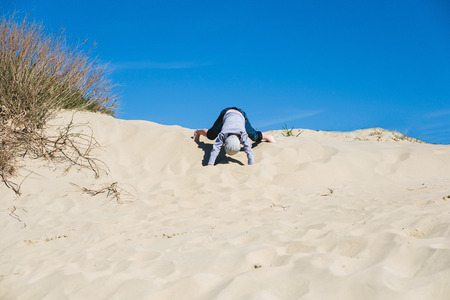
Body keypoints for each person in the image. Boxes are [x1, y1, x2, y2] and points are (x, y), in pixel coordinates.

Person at [193, 107, 276, 166]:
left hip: (241, 115)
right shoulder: (223, 134)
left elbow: (248, 149)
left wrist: (252, 163)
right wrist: (210, 164)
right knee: (211, 135)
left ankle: (267, 136)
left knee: (253, 136)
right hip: (225, 114)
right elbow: (216, 148)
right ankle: (198, 132)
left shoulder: (243, 134)